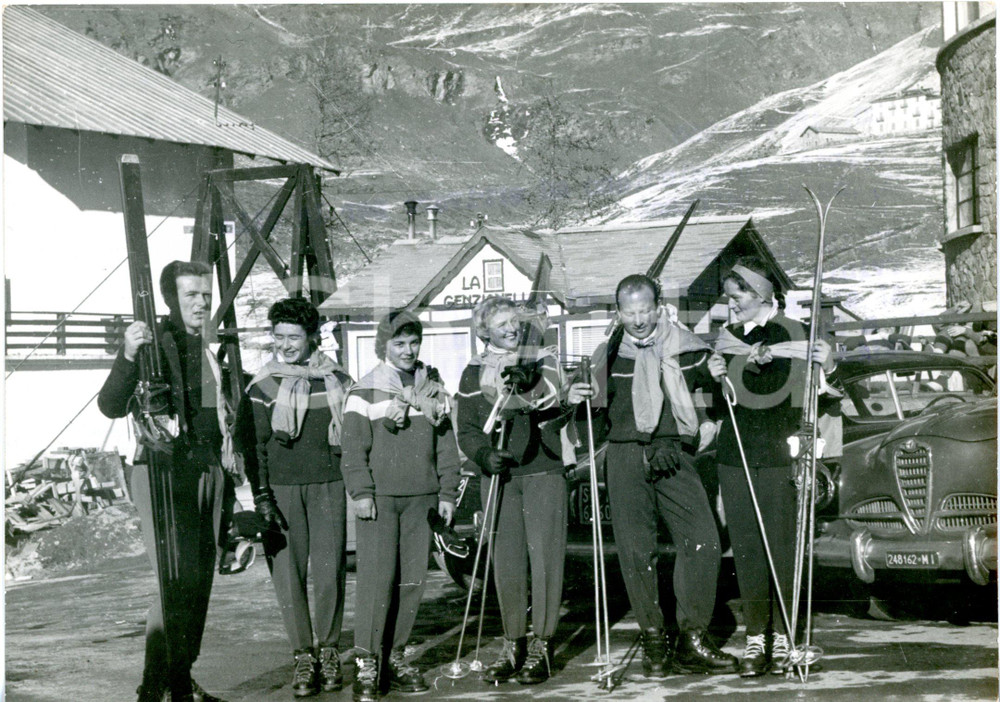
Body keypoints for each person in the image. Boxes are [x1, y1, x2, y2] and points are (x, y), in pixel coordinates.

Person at [98, 260, 235, 702]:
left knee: (198, 582)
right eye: (191, 294)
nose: (201, 303)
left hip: (207, 471)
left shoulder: (209, 352)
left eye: (206, 295)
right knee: (172, 582)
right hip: (162, 472)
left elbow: (219, 421)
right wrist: (127, 355)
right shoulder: (154, 347)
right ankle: (156, 685)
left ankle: (179, 675)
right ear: (170, 299)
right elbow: (110, 405)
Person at [592, 274, 737, 677]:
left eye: (645, 310)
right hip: (625, 457)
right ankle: (654, 640)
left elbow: (710, 405)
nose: (638, 320)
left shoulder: (688, 348)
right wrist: (582, 398)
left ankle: (692, 638)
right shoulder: (606, 354)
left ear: (658, 307)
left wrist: (715, 374)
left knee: (703, 542)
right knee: (637, 552)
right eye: (629, 312)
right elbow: (594, 416)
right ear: (619, 312)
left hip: (675, 455)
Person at [706, 256, 835, 677]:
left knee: (781, 545)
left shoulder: (795, 334)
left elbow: (817, 392)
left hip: (780, 454)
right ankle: (756, 635)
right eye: (728, 298)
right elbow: (718, 404)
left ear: (761, 293)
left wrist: (827, 363)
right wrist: (714, 374)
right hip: (736, 453)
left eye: (737, 296)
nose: (731, 305)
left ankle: (784, 635)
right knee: (745, 548)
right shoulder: (726, 338)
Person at [455, 297, 589, 685]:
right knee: (507, 561)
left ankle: (542, 645)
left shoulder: (542, 360)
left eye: (514, 321)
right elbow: (464, 428)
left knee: (545, 558)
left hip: (542, 468)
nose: (511, 329)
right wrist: (482, 454)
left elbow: (554, 401)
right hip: (500, 476)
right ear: (484, 332)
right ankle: (513, 642)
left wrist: (546, 388)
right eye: (500, 325)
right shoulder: (472, 373)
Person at [341, 310, 460, 702]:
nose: (408, 351)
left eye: (413, 342)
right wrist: (360, 493)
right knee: (377, 582)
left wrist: (446, 494)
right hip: (379, 501)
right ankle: (367, 663)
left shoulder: (434, 391)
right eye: (399, 343)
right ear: (384, 346)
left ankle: (396, 655)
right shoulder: (364, 391)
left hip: (421, 500)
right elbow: (353, 449)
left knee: (412, 582)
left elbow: (446, 448)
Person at [241, 298, 354, 698]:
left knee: (329, 574)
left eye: (294, 336)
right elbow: (252, 446)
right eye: (279, 336)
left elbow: (357, 438)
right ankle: (302, 653)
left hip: (328, 486)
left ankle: (328, 650)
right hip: (281, 492)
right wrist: (262, 496)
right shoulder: (262, 384)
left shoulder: (338, 379)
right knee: (288, 576)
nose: (286, 344)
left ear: (312, 337)